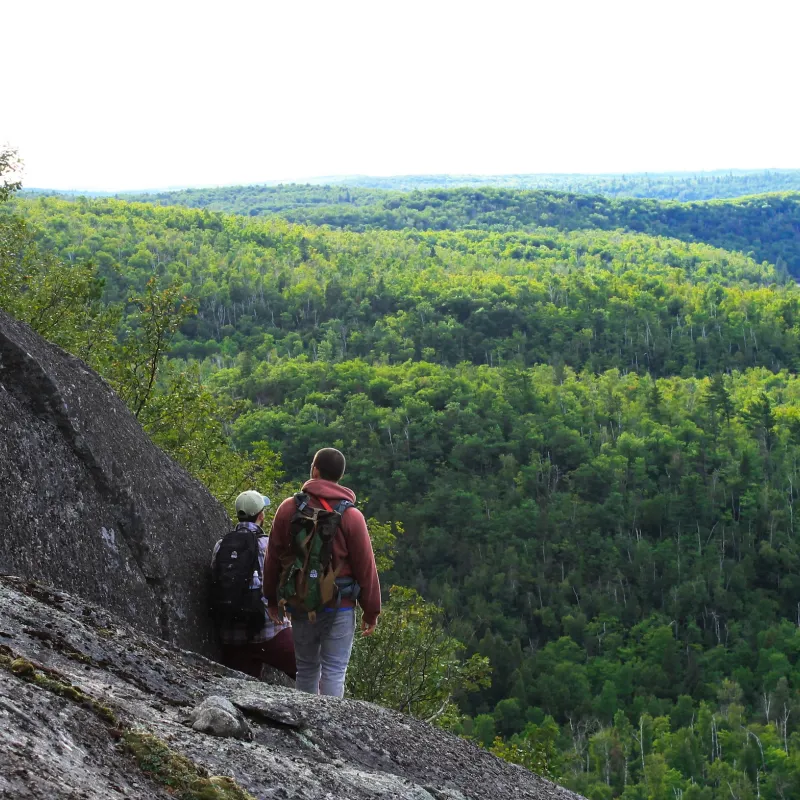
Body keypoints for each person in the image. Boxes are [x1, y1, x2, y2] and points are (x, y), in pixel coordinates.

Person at [263, 448, 380, 697]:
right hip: (340, 604)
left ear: (314, 471)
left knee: (306, 669)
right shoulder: (351, 516)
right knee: (334, 671)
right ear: (340, 476)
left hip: (300, 600)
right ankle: (329, 722)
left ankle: (303, 719)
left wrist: (272, 599)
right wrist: (371, 610)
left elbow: (273, 556)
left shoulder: (288, 508)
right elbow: (366, 567)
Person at [211, 489, 296, 680]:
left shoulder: (221, 545)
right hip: (269, 632)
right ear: (261, 515)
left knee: (243, 686)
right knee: (313, 669)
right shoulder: (269, 545)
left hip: (232, 638)